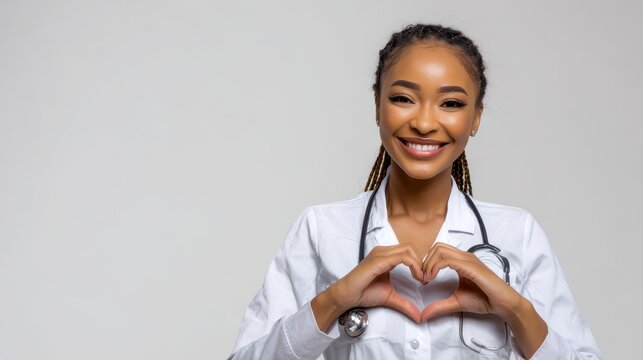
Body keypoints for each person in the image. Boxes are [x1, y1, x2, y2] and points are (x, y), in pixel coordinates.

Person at [227, 23, 602, 359]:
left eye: (451, 103)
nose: (424, 122)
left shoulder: (517, 234)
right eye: (403, 98)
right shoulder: (320, 228)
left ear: (476, 118)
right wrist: (335, 300)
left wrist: (517, 311)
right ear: (377, 106)